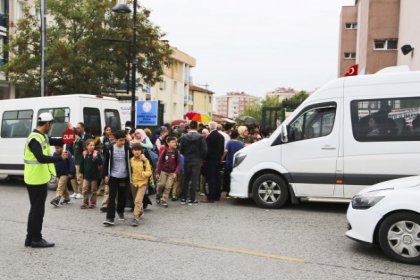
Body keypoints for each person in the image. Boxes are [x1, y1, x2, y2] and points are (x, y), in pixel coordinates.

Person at [24, 112, 69, 248]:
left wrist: (69, 135)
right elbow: (41, 158)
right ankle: (36, 239)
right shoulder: (34, 139)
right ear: (48, 123)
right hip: (35, 180)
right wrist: (60, 158)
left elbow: (57, 141)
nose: (51, 126)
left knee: (35, 209)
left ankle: (30, 238)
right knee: (38, 210)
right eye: (51, 124)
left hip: (37, 178)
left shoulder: (41, 136)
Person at [103, 130, 132, 226]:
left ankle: (120, 210)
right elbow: (106, 162)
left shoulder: (127, 149)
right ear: (115, 139)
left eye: (124, 140)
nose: (122, 142)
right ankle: (110, 217)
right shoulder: (110, 149)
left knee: (122, 197)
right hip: (113, 176)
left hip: (124, 177)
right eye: (120, 140)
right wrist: (106, 175)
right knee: (111, 197)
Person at [179, 121, 207, 205]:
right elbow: (204, 150)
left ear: (189, 127)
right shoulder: (200, 137)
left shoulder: (184, 137)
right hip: (197, 159)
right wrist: (201, 157)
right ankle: (192, 199)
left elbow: (181, 149)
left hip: (187, 159)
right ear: (197, 127)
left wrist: (186, 155)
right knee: (194, 180)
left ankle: (183, 198)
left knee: (186, 179)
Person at [130, 143, 152, 226]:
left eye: (138, 150)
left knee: (137, 200)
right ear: (132, 151)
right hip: (134, 183)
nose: (137, 152)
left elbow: (149, 172)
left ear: (141, 151)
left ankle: (135, 218)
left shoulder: (145, 160)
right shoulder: (131, 160)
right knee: (135, 200)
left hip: (142, 183)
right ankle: (141, 210)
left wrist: (145, 174)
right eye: (135, 150)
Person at [202, 122, 225, 203]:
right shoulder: (221, 136)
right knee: (217, 178)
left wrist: (205, 158)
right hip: (218, 160)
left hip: (210, 160)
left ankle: (211, 197)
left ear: (209, 127)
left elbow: (207, 150)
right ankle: (217, 195)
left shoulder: (210, 137)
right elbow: (222, 150)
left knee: (210, 179)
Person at [156, 137, 181, 208]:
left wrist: (176, 172)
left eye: (175, 142)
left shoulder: (177, 152)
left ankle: (164, 200)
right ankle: (158, 196)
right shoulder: (165, 151)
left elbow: (179, 164)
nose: (174, 143)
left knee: (168, 186)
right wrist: (158, 172)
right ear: (168, 143)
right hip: (164, 171)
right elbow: (160, 162)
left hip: (172, 173)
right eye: (173, 142)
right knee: (161, 185)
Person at [79, 139, 103, 209]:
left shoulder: (96, 153)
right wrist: (81, 173)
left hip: (94, 175)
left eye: (93, 145)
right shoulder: (84, 153)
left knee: (93, 190)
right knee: (84, 189)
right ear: (86, 146)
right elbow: (82, 164)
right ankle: (85, 202)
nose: (92, 147)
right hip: (86, 175)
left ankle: (92, 202)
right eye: (90, 145)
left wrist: (97, 158)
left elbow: (101, 163)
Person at [71, 122, 92, 199]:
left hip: (80, 161)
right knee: (76, 177)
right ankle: (76, 192)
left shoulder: (80, 141)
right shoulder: (75, 141)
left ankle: (81, 192)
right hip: (75, 161)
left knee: (80, 177)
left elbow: (84, 150)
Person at [223, 130, 244, 198]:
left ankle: (228, 194)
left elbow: (226, 152)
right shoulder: (241, 143)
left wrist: (221, 158)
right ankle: (236, 194)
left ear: (231, 136)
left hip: (229, 163)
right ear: (238, 136)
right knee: (236, 179)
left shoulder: (229, 143)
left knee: (228, 179)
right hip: (238, 164)